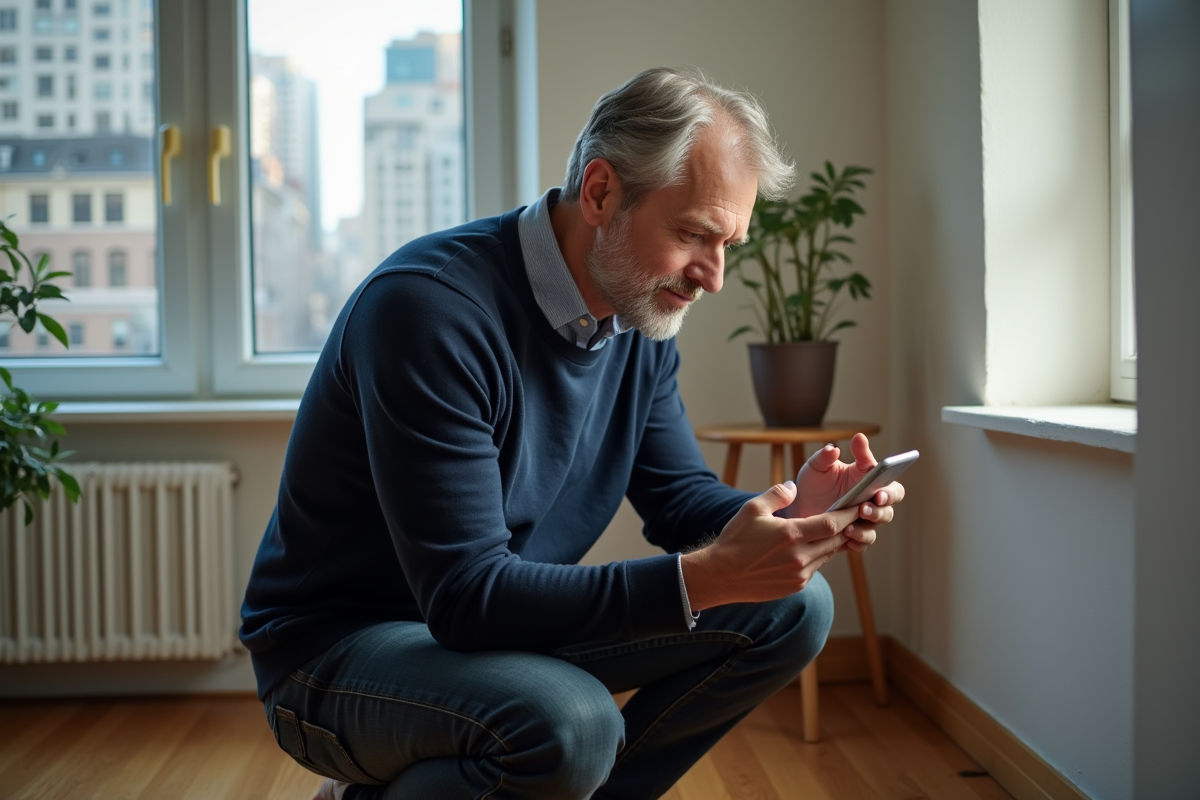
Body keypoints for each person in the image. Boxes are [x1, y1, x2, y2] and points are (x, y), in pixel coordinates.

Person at [240, 67, 904, 800]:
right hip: (336, 655)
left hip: (484, 629)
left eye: (730, 245)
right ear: (600, 193)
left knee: (795, 606)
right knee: (573, 722)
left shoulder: (637, 319)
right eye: (694, 235)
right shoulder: (429, 312)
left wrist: (793, 515)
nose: (713, 277)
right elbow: (465, 596)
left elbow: (678, 497)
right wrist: (705, 577)